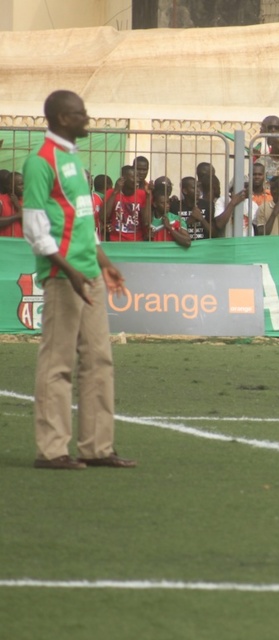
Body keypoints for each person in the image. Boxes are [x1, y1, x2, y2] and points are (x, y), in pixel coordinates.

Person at [22, 90, 135, 470]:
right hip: (62, 275)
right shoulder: (41, 162)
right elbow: (35, 228)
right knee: (58, 362)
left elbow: (82, 219)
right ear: (62, 118)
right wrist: (68, 270)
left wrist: (104, 263)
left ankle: (97, 447)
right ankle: (52, 449)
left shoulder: (72, 156)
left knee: (99, 359)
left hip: (89, 272)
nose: (87, 118)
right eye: (80, 113)